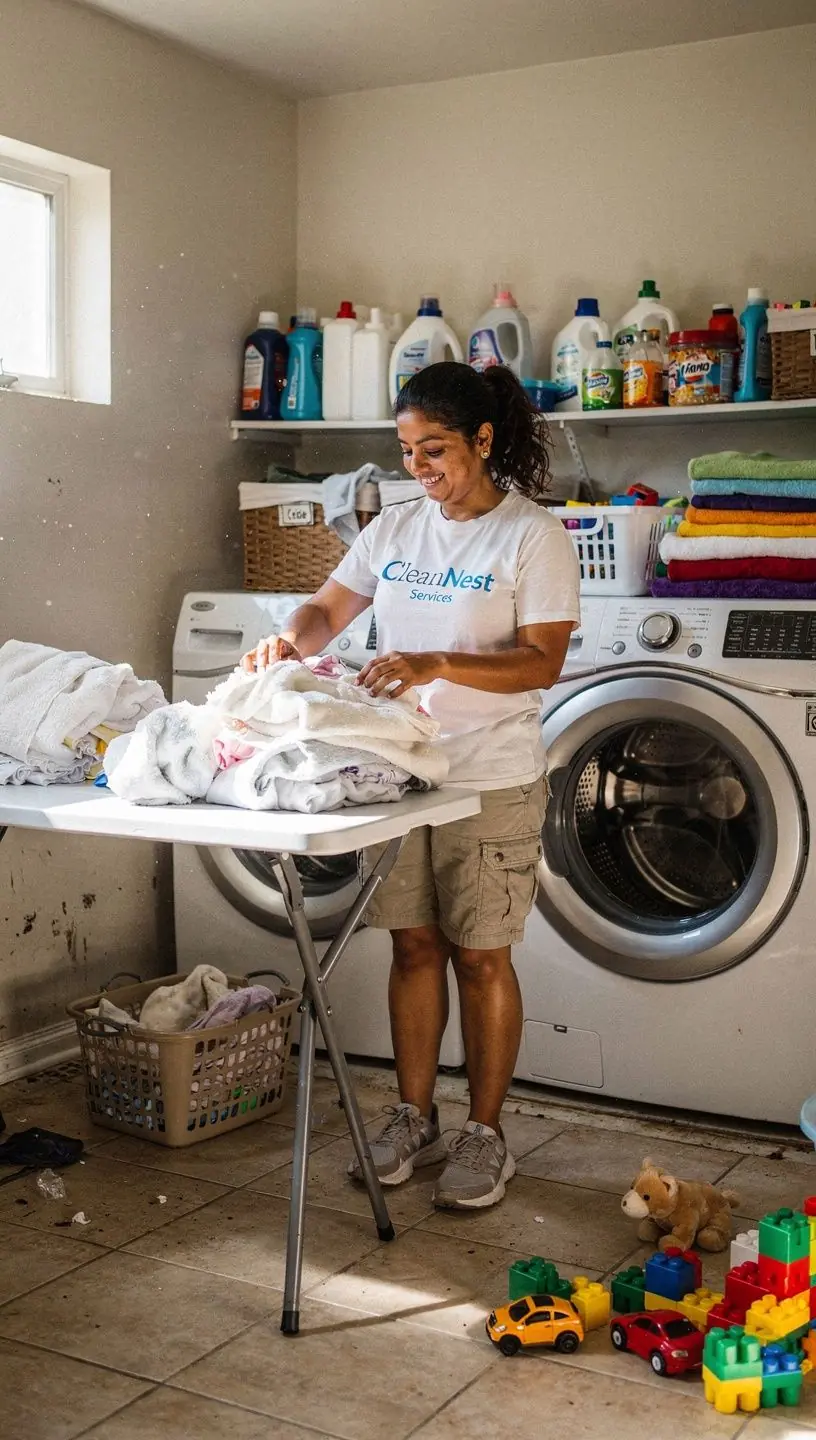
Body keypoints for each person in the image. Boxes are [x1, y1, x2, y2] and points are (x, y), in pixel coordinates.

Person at [242, 360, 580, 1209]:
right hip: (401, 770)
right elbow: (327, 611)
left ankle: (485, 1131)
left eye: (434, 449)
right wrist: (291, 640)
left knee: (480, 956)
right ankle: (412, 1114)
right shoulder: (394, 529)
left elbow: (543, 660)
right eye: (406, 451)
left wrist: (433, 661)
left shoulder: (531, 535)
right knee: (413, 945)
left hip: (493, 776)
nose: (418, 467)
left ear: (484, 440)